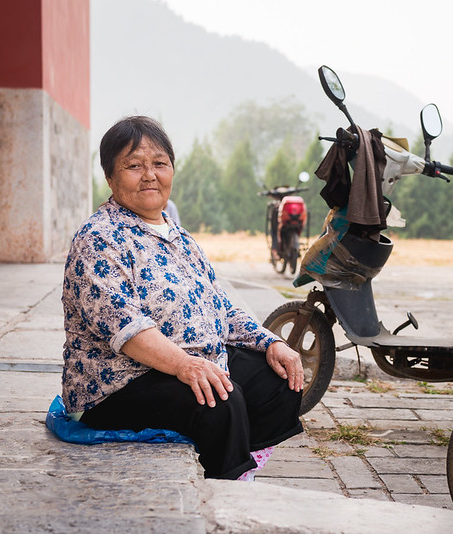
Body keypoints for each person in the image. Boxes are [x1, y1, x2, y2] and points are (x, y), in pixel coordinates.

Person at [61, 115, 303, 480]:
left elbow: (218, 305)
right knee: (221, 399)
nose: (149, 175)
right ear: (110, 177)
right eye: (133, 165)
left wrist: (270, 341)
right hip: (121, 382)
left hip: (186, 359)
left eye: (159, 164)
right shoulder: (99, 238)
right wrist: (185, 366)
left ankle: (235, 465)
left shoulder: (178, 235)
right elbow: (127, 327)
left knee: (279, 379)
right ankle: (225, 492)